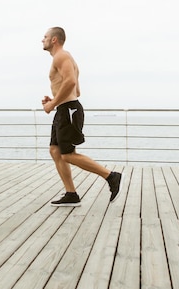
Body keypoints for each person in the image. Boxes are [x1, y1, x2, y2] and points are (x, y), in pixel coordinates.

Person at [41, 27, 122, 206]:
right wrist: (55, 100)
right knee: (55, 150)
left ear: (54, 39)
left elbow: (71, 83)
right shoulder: (63, 58)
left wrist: (52, 104)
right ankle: (71, 194)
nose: (42, 40)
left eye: (45, 37)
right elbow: (76, 89)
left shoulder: (61, 56)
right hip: (65, 110)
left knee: (68, 154)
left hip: (68, 110)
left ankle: (111, 176)